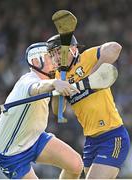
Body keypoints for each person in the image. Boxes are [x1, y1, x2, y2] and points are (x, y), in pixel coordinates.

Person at [0, 42, 83, 179]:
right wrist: (54, 83)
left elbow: (56, 109)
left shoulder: (51, 79)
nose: (55, 59)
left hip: (35, 138)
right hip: (11, 154)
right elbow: (36, 88)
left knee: (76, 165)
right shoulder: (28, 81)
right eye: (49, 56)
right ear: (35, 61)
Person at [47, 34, 130, 179]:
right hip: (91, 141)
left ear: (73, 49)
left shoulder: (88, 57)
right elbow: (57, 110)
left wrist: (91, 76)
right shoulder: (60, 75)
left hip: (112, 136)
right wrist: (57, 90)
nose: (57, 58)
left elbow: (115, 47)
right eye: (53, 55)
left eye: (59, 52)